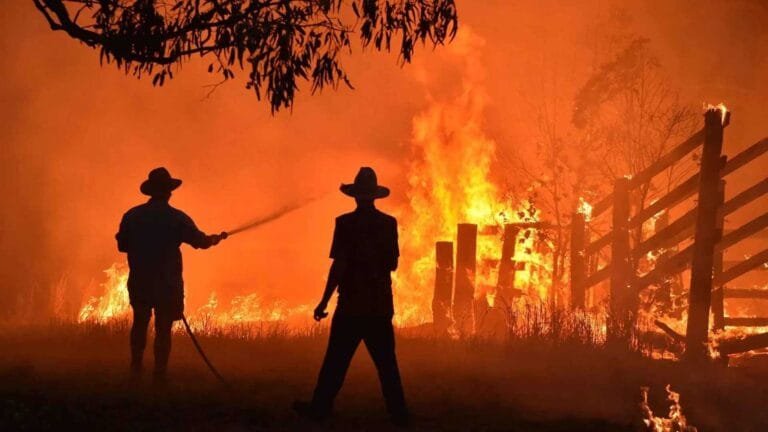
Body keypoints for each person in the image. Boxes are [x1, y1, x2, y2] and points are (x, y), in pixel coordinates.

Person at [294, 167, 409, 426]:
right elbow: (393, 264)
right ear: (374, 197)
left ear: (355, 196)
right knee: (387, 364)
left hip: (351, 306)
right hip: (379, 305)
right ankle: (399, 414)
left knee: (335, 361)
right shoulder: (388, 224)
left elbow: (339, 266)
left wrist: (324, 301)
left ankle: (319, 409)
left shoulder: (344, 223)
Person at [116, 167, 226, 383]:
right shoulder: (176, 218)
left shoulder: (132, 215)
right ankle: (159, 374)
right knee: (163, 328)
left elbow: (122, 246)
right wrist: (215, 239)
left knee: (140, 322)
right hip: (167, 283)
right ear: (168, 192)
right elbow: (200, 242)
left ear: (150, 192)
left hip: (140, 280)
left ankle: (136, 367)